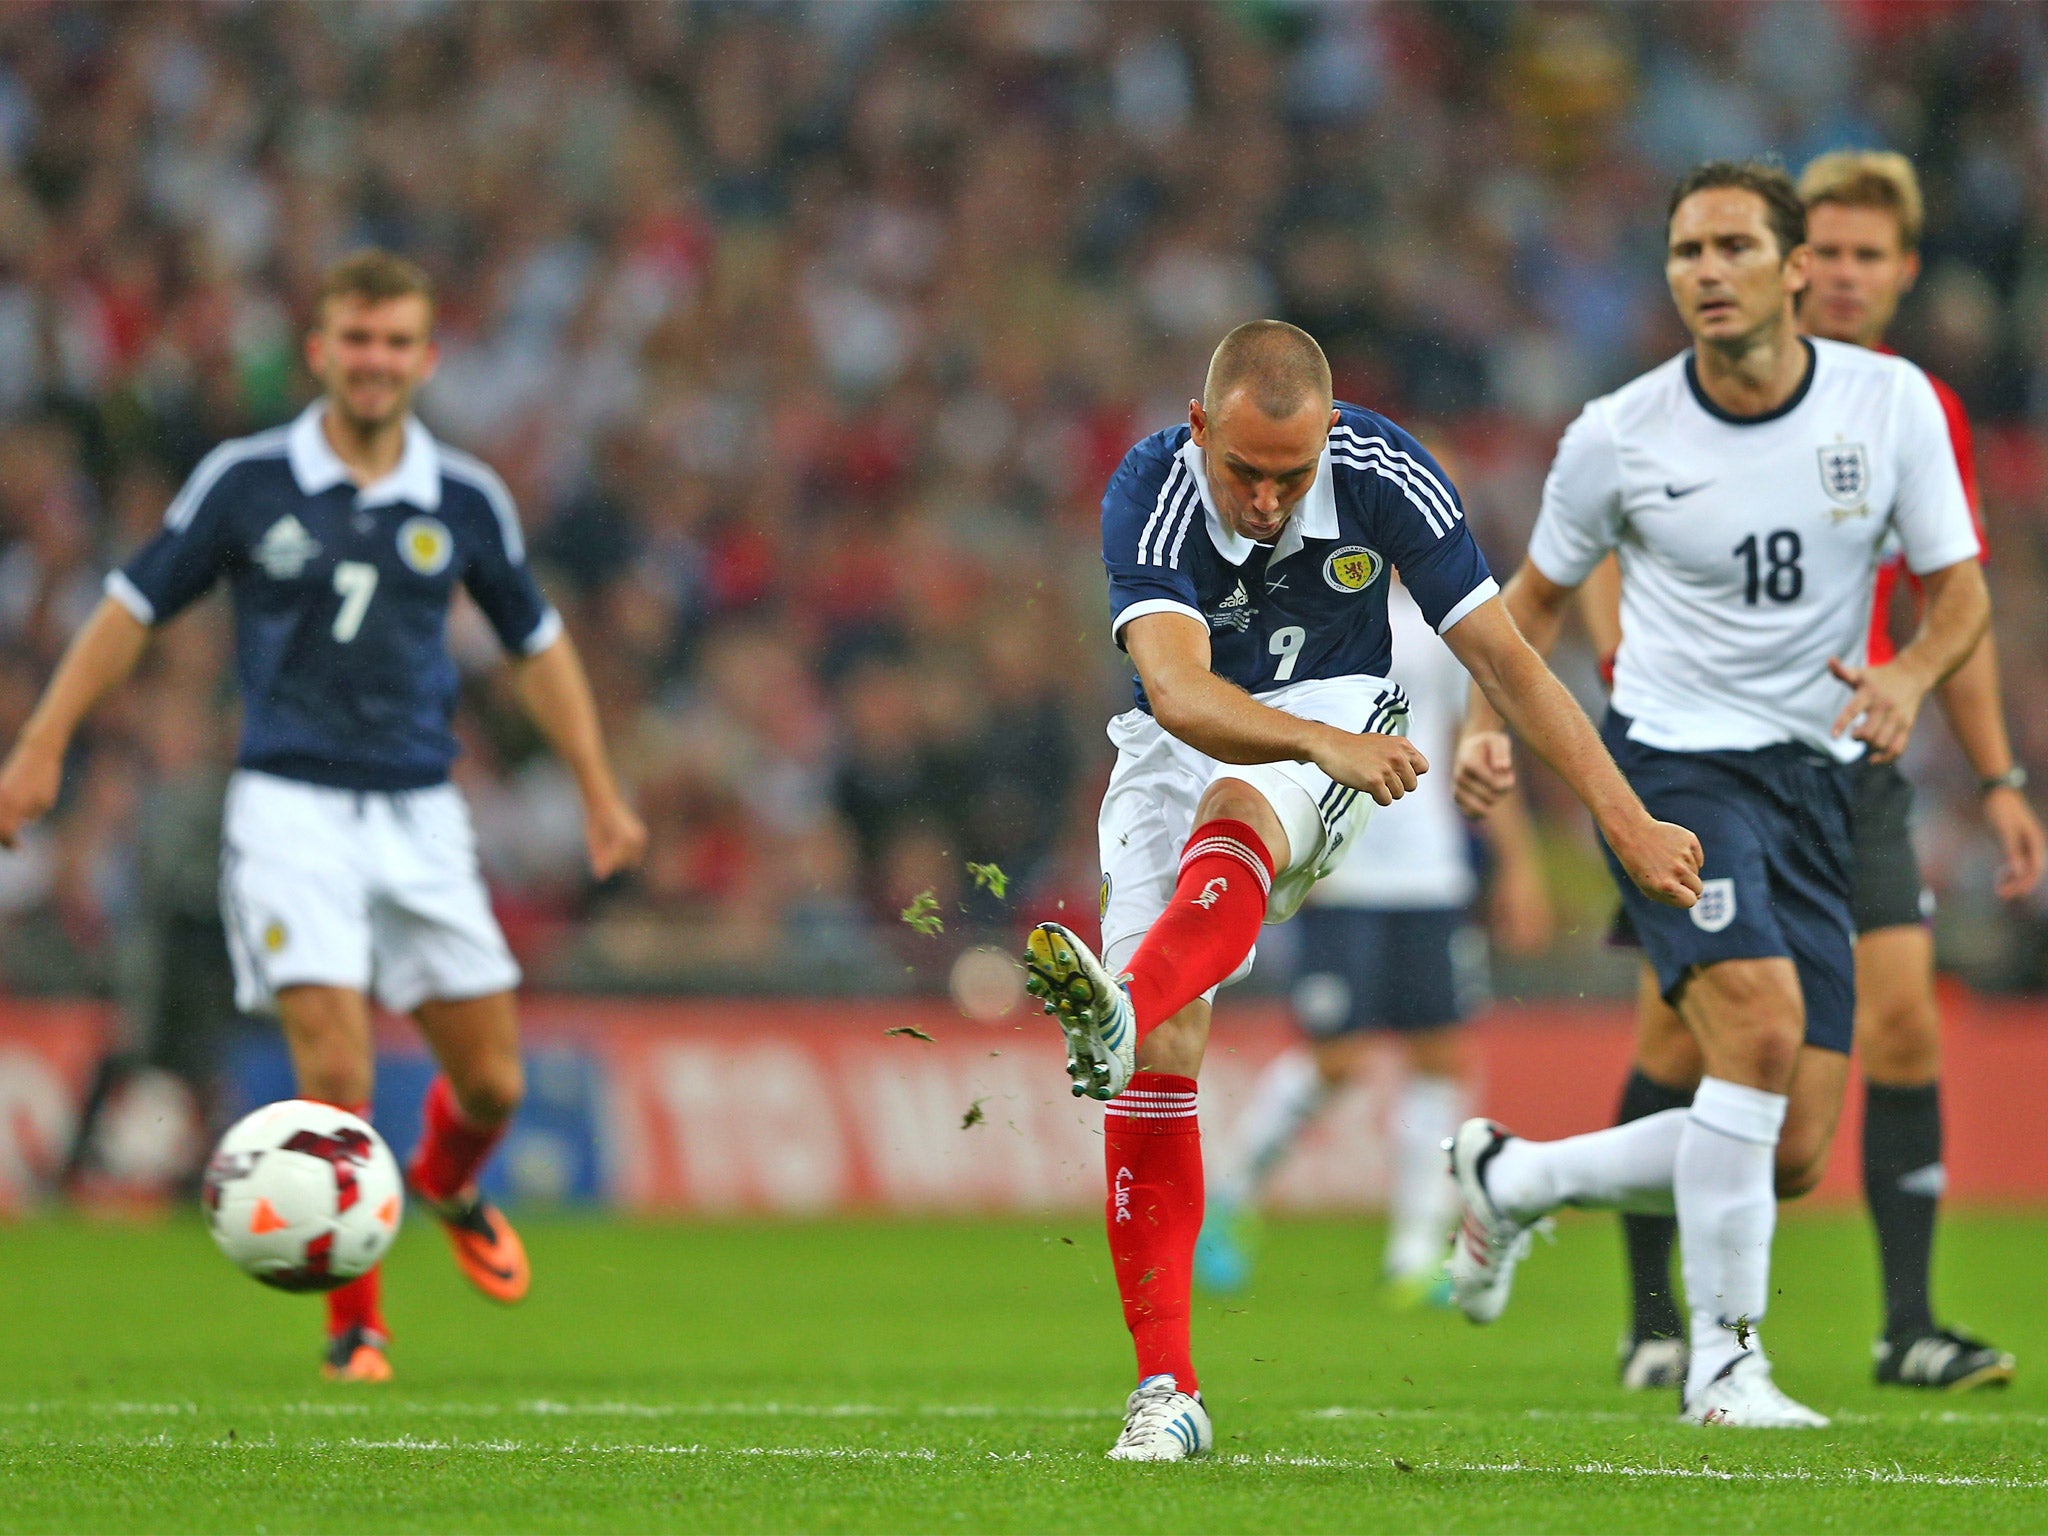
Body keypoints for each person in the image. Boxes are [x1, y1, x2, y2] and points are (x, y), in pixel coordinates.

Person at [1021, 319, 1703, 1462]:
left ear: (1328, 433)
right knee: (1160, 1054)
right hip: (1174, 738)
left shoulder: (1387, 474)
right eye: (1241, 470)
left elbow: (1508, 664)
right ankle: (1166, 1393)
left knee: (1240, 820)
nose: (1264, 498)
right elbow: (1180, 694)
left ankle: (1121, 1005)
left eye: (1289, 474)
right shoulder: (1147, 488)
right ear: (1198, 429)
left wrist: (1623, 822)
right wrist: (1302, 742)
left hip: (1339, 717)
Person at [0, 251, 647, 1382]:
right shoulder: (247, 483)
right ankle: (357, 1323)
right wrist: (42, 745)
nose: (375, 361)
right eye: (356, 340)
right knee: (334, 1065)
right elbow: (130, 605)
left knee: (492, 1080)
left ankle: (445, 1180)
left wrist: (597, 788)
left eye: (397, 342)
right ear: (319, 350)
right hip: (289, 806)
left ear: (425, 357)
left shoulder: (462, 496)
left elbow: (534, 646)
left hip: (419, 809)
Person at [1448, 161, 1989, 1429]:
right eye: (1686, 250)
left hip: (1823, 782)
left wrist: (1909, 673)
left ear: (1791, 268)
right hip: (1675, 768)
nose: (1705, 270)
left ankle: (1513, 1178)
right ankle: (1723, 1362)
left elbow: (1957, 588)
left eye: (1732, 246)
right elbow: (1521, 607)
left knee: (1788, 1146)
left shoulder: (1888, 403)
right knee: (1750, 1028)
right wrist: (1486, 726)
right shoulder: (1618, 432)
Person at [1586, 150, 2044, 1396]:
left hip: (1855, 749)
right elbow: (1605, 542)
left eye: (1861, 257)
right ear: (1796, 265)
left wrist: (1996, 776)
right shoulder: (1674, 405)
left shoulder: (1905, 407)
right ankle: (1651, 1314)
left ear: (1897, 274)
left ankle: (1905, 1322)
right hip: (1698, 754)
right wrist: (1627, 667)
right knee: (1679, 1038)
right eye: (1823, 252)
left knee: (1896, 1022)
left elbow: (1960, 601)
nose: (1838, 275)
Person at [1192, 575, 1553, 1302]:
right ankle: (1228, 1202)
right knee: (1336, 1060)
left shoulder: (1449, 620)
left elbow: (1468, 742)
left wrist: (1517, 865)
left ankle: (1415, 1251)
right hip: (1341, 868)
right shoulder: (1305, 600)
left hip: (1431, 872)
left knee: (1441, 1055)